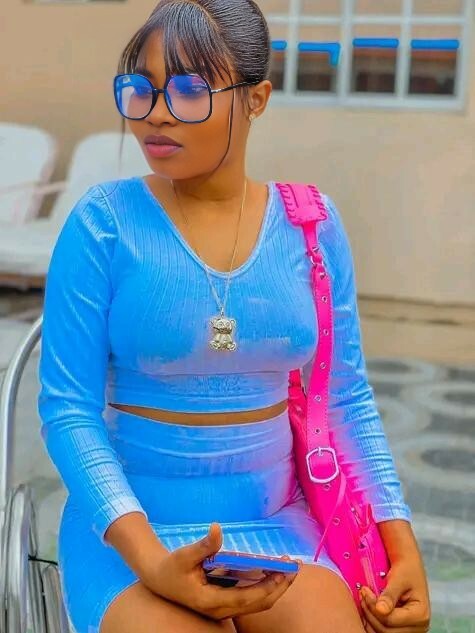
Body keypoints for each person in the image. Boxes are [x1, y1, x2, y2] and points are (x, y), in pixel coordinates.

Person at [37, 1, 431, 632]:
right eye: (141, 88)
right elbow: (68, 411)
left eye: (190, 90)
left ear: (256, 99)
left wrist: (401, 545)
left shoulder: (310, 227)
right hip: (133, 532)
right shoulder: (104, 223)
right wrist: (152, 562)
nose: (156, 112)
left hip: (276, 524)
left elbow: (346, 399)